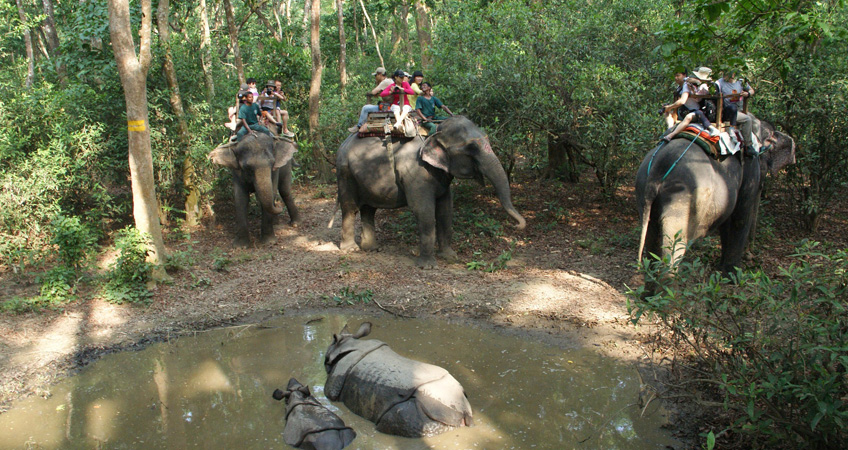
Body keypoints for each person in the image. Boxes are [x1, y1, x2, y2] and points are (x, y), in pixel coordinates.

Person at [661, 67, 718, 143]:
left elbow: (683, 101)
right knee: (667, 113)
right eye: (675, 76)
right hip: (687, 110)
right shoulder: (685, 85)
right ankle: (670, 128)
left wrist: (669, 107)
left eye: (678, 75)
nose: (676, 78)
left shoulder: (706, 86)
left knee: (688, 117)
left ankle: (671, 135)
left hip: (700, 111)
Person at [716, 70, 755, 151]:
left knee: (754, 119)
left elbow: (752, 90)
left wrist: (748, 94)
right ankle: (748, 146)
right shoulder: (719, 83)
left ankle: (756, 144)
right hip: (726, 111)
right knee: (747, 119)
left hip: (739, 110)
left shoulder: (741, 82)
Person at [348, 67, 395, 133]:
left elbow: (373, 92)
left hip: (388, 107)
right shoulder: (389, 81)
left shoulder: (385, 82)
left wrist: (375, 92)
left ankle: (359, 126)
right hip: (390, 105)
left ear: (380, 75)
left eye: (376, 75)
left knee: (365, 108)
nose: (375, 77)